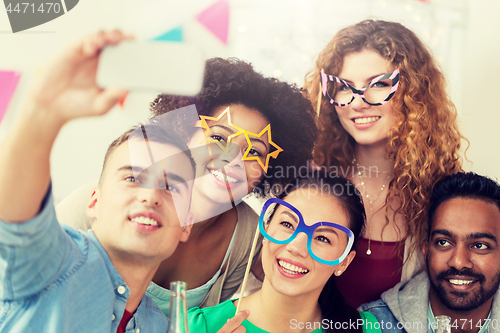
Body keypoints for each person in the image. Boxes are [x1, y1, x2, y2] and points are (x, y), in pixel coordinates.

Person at [0, 30, 248, 333]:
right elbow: (16, 222)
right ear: (94, 201)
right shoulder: (52, 263)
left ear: (185, 225)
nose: (150, 195)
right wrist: (43, 110)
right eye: (132, 177)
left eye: (170, 187)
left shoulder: (158, 325)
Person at [57, 57, 318, 314]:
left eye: (255, 152)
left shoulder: (249, 239)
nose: (233, 159)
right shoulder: (101, 202)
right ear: (183, 135)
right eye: (218, 137)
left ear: (267, 171)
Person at [304, 19, 466, 308]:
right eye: (344, 87)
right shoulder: (308, 178)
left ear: (415, 93)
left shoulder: (446, 196)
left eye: (379, 84)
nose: (358, 102)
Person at [188, 174, 382, 333]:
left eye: (322, 238)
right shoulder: (199, 327)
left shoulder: (365, 329)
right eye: (287, 224)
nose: (296, 247)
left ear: (344, 263)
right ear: (266, 228)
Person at [360, 172, 500, 333]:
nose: (458, 262)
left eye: (480, 245)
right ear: (426, 252)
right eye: (444, 242)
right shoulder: (372, 326)